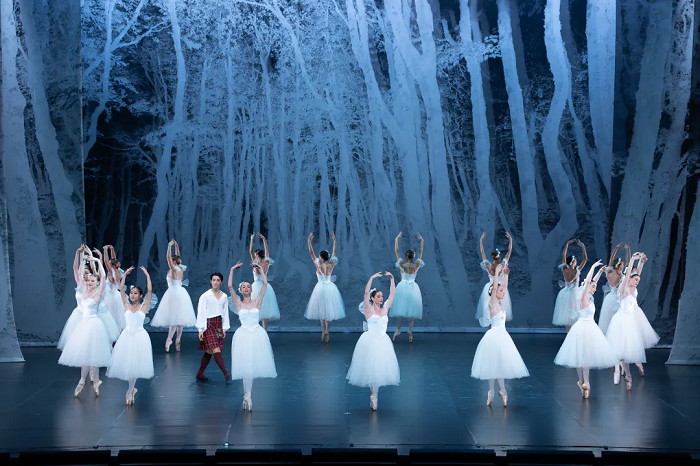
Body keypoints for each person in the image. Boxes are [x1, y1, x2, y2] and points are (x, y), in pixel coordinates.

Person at [554, 260, 619, 398]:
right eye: (593, 287)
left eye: (595, 287)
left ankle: (585, 382)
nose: (595, 289)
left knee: (585, 357)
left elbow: (593, 281)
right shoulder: (583, 296)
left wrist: (600, 272)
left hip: (590, 327)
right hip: (582, 327)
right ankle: (583, 381)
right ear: (587, 286)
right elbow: (589, 281)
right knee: (581, 357)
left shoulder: (589, 297)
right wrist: (593, 267)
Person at [471, 263, 529, 407]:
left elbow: (503, 287)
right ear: (495, 292)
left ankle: (502, 390)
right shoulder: (492, 303)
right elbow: (496, 287)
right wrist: (497, 273)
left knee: (500, 365)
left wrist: (506, 275)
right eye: (500, 290)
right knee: (492, 365)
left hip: (503, 336)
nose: (504, 292)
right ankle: (491, 391)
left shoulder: (500, 304)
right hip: (493, 337)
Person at [58, 254, 113, 397]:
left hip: (94, 325)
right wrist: (81, 258)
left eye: (92, 281)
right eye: (88, 280)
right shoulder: (84, 292)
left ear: (97, 283)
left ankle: (92, 381)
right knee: (85, 355)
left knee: (93, 355)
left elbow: (103, 276)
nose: (89, 282)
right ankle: (85, 381)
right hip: (83, 325)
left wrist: (97, 261)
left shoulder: (98, 294)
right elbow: (77, 272)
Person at [227, 261, 277, 411]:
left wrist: (261, 269)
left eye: (248, 286)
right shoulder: (238, 303)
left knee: (252, 366)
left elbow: (265, 284)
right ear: (241, 290)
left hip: (256, 334)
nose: (246, 288)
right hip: (243, 335)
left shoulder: (257, 302)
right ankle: (247, 395)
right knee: (245, 366)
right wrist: (232, 269)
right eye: (244, 287)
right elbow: (229, 286)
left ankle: (247, 395)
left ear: (251, 289)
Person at [347, 272, 399, 410]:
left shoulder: (385, 308)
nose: (381, 298)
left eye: (382, 296)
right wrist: (371, 278)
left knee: (379, 369)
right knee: (372, 367)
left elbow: (392, 294)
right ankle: (373, 396)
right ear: (372, 298)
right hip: (370, 341)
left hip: (383, 342)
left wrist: (392, 278)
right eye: (378, 296)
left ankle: (375, 395)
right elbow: (365, 293)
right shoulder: (368, 310)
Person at [107, 266, 155, 405]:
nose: (132, 295)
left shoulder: (144, 306)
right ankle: (131, 389)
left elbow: (150, 291)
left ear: (140, 295)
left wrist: (147, 275)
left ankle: (129, 390)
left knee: (135, 364)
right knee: (129, 364)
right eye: (131, 293)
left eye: (135, 293)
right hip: (127, 336)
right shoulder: (126, 305)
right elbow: (121, 289)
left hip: (139, 336)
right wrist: (125, 275)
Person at [605, 253, 649, 390]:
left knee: (627, 350)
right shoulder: (623, 288)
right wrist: (633, 260)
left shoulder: (633, 288)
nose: (637, 282)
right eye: (635, 280)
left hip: (630, 320)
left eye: (638, 281)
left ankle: (629, 374)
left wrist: (642, 263)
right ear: (629, 279)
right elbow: (630, 274)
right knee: (619, 349)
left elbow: (636, 275)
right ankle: (619, 372)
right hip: (621, 320)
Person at [151, 239, 196, 351]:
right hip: (180, 293)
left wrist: (169, 246)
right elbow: (177, 256)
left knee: (174, 320)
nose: (170, 261)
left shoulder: (173, 268)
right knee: (179, 320)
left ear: (174, 261)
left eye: (172, 260)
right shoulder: (180, 268)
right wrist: (176, 247)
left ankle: (169, 340)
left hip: (173, 293)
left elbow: (168, 257)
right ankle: (178, 339)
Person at [304, 232, 345, 342]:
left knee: (321, 310)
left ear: (321, 257)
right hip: (330, 288)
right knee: (329, 310)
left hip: (320, 288)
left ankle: (323, 330)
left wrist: (309, 241)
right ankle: (327, 331)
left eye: (319, 256)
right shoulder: (331, 264)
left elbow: (311, 253)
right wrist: (334, 240)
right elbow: (334, 252)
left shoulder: (318, 265)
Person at [195, 272, 231, 383]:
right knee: (216, 349)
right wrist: (200, 329)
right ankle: (226, 374)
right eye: (213, 280)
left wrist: (224, 328)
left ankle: (200, 373)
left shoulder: (224, 296)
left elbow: (225, 313)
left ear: (221, 282)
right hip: (208, 324)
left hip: (218, 324)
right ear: (211, 281)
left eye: (218, 280)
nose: (215, 282)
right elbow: (201, 312)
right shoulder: (205, 296)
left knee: (209, 351)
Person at [390, 232, 424, 343]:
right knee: (411, 310)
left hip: (403, 287)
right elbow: (421, 252)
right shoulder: (417, 265)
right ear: (413, 256)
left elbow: (396, 251)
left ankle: (398, 329)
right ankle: (410, 330)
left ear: (406, 257)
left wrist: (396, 239)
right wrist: (422, 241)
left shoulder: (402, 265)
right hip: (413, 288)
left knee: (401, 308)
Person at [475, 232, 513, 325]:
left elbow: (482, 253)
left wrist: (481, 241)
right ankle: (498, 326)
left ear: (492, 258)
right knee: (499, 308)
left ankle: (491, 326)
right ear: (499, 258)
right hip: (500, 288)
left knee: (489, 309)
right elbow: (509, 252)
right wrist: (510, 240)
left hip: (489, 289)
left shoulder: (488, 266)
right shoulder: (502, 265)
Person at [552, 239, 587, 331]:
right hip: (574, 295)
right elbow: (585, 259)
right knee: (575, 316)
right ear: (573, 262)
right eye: (576, 261)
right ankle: (573, 335)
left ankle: (569, 334)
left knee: (567, 317)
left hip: (565, 294)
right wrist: (583, 246)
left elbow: (563, 255)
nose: (577, 262)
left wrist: (567, 244)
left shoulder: (564, 269)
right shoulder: (577, 270)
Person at [249, 233, 280, 330]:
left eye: (255, 255)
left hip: (257, 287)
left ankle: (255, 331)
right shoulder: (266, 262)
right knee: (264, 312)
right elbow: (267, 251)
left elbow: (250, 251)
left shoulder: (256, 262)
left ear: (257, 255)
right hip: (265, 287)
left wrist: (252, 239)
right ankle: (264, 331)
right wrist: (264, 239)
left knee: (255, 310)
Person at [597, 243, 630, 334]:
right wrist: (628, 250)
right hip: (617, 298)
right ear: (619, 265)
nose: (623, 265)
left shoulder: (610, 272)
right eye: (622, 264)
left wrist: (616, 248)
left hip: (610, 298)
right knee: (614, 319)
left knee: (609, 320)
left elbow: (611, 259)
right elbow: (629, 264)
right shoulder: (617, 273)